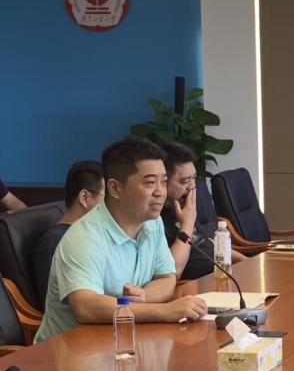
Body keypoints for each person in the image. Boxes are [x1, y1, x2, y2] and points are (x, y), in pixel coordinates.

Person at [34, 138, 207, 342]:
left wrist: (144, 296)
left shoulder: (153, 223)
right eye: (150, 183)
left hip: (125, 342)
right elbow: (85, 307)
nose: (160, 192)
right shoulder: (84, 238)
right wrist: (165, 311)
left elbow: (166, 278)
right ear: (115, 188)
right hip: (70, 352)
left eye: (163, 181)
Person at [158, 142, 244, 280]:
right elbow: (173, 271)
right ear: (163, 181)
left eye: (194, 178)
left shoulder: (182, 207)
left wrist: (247, 261)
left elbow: (209, 245)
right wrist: (187, 223)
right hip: (194, 287)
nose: (192, 186)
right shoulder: (155, 220)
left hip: (222, 277)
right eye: (185, 181)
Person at [32, 161, 105, 305]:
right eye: (108, 198)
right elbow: (55, 305)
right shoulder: (54, 243)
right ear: (85, 198)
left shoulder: (94, 235)